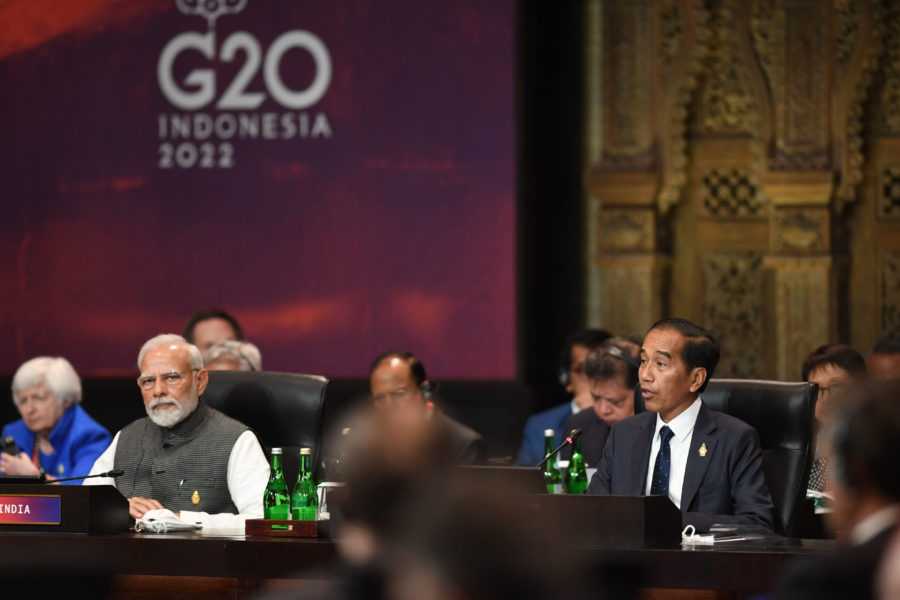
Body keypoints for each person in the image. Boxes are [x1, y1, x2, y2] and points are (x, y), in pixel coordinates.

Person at [588, 318, 774, 533]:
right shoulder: (623, 434)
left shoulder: (734, 439)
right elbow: (594, 511)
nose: (645, 375)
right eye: (643, 361)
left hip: (695, 553)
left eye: (660, 364)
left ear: (696, 379)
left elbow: (757, 523)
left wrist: (671, 522)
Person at [85, 334, 269, 530]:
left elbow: (264, 521)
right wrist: (118, 508)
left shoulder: (237, 440)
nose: (158, 391)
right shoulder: (126, 437)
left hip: (203, 550)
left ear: (200, 381)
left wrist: (181, 521)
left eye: (171, 378)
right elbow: (85, 506)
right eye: (148, 381)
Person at [778, 381, 900, 600]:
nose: (824, 400)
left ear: (848, 472)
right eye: (818, 391)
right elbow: (815, 512)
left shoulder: (821, 579)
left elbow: (826, 510)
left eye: (833, 389)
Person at [0, 357, 110, 483]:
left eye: (38, 398)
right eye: (23, 401)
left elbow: (83, 489)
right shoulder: (13, 433)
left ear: (65, 399)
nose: (29, 409)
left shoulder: (90, 436)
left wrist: (34, 477)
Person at [516, 329, 612, 465]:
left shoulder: (622, 421)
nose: (592, 379)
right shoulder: (539, 426)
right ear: (566, 379)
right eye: (581, 370)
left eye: (600, 370)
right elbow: (521, 477)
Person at [369, 352, 484, 465]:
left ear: (424, 391)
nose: (389, 405)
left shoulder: (463, 445)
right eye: (380, 398)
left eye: (399, 394)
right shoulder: (369, 444)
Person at [561, 338, 640, 467]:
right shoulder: (579, 427)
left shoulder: (660, 429)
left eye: (615, 402)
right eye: (596, 398)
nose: (603, 410)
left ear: (641, 392)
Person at [800, 344, 867, 492]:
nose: (825, 399)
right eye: (816, 390)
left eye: (836, 387)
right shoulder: (801, 447)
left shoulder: (877, 445)